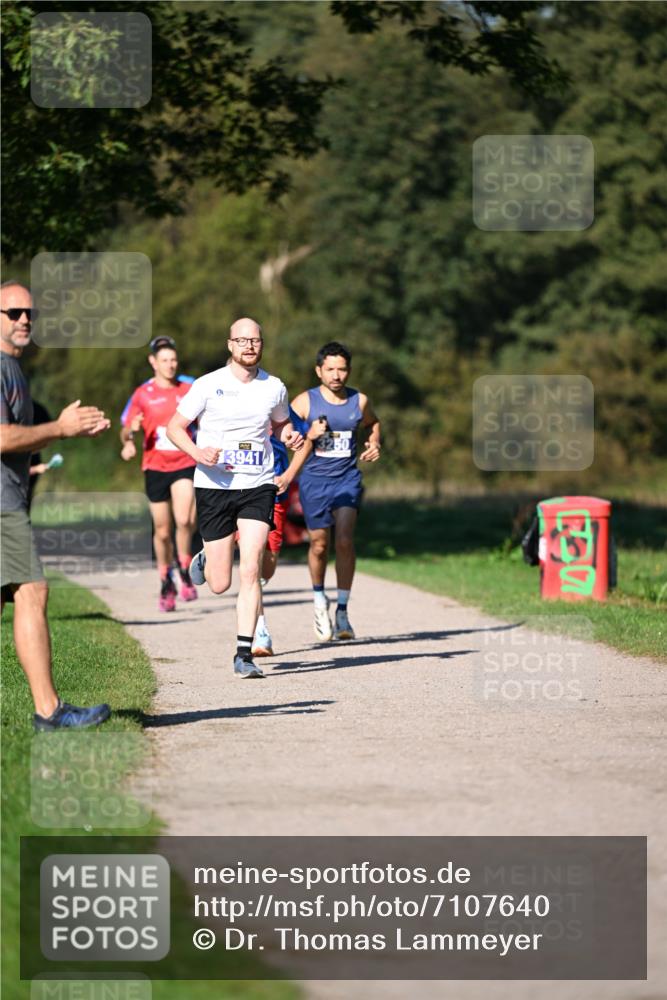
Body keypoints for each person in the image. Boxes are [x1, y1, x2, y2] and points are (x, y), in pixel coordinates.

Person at [0, 280, 111, 731]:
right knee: (33, 590)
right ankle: (49, 711)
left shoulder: (13, 368)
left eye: (30, 313)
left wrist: (68, 428)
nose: (25, 320)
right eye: (14, 313)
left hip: (9, 497)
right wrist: (60, 429)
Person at [166, 317, 303, 678]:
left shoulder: (274, 386)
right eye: (242, 340)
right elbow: (174, 428)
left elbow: (279, 423)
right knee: (219, 582)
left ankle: (244, 653)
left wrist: (289, 435)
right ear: (230, 345)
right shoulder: (207, 385)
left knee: (252, 568)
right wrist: (197, 453)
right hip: (214, 487)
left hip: (258, 484)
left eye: (255, 340)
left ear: (261, 344)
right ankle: (207, 555)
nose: (249, 346)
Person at [291, 341, 381, 641]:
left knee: (343, 539)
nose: (336, 375)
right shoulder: (304, 402)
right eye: (330, 369)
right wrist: (307, 433)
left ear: (349, 371)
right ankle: (320, 600)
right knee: (319, 544)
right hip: (314, 481)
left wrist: (374, 442)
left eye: (342, 369)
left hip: (347, 480)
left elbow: (373, 423)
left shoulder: (360, 401)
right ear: (319, 371)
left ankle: (342, 610)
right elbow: (281, 433)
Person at [120, 336, 198, 611]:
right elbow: (126, 428)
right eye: (164, 360)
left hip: (184, 462)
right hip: (155, 467)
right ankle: (166, 578)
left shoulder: (189, 389)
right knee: (163, 530)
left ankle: (185, 566)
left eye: (173, 359)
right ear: (153, 362)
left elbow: (208, 421)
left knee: (184, 519)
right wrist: (129, 438)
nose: (170, 365)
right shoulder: (142, 394)